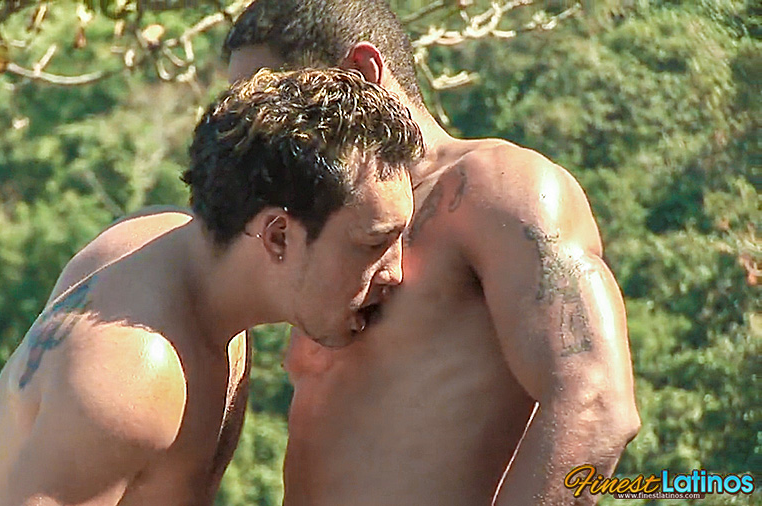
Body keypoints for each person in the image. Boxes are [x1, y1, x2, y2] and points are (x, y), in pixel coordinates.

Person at [226, 1, 641, 505]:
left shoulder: (500, 189)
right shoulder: (308, 227)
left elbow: (595, 402)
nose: (259, 137)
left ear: (362, 71)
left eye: (278, 104)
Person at [0, 67, 423, 506]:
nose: (396, 271)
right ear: (278, 236)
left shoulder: (187, 260)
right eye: (373, 244)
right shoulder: (134, 374)